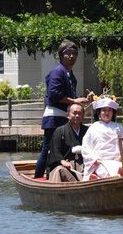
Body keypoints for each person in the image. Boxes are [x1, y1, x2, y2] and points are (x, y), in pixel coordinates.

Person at [34, 39, 90, 178]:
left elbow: (68, 97)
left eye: (74, 53)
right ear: (61, 55)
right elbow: (54, 94)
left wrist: (82, 100)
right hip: (54, 116)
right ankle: (38, 177)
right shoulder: (57, 72)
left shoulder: (69, 74)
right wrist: (74, 100)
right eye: (68, 53)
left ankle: (55, 174)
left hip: (63, 115)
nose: (71, 56)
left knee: (62, 148)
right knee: (48, 148)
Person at [82, 97, 123, 181]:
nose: (107, 113)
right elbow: (86, 147)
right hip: (99, 162)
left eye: (109, 110)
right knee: (105, 171)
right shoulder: (93, 127)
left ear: (113, 113)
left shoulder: (119, 127)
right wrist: (93, 159)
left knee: (121, 168)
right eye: (104, 110)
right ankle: (97, 177)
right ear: (99, 113)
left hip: (116, 160)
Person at [47, 103, 88, 182]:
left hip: (84, 164)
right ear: (68, 115)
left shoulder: (88, 131)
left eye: (80, 113)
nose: (77, 116)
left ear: (83, 116)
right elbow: (54, 150)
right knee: (60, 170)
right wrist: (62, 161)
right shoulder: (60, 131)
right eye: (74, 113)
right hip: (66, 166)